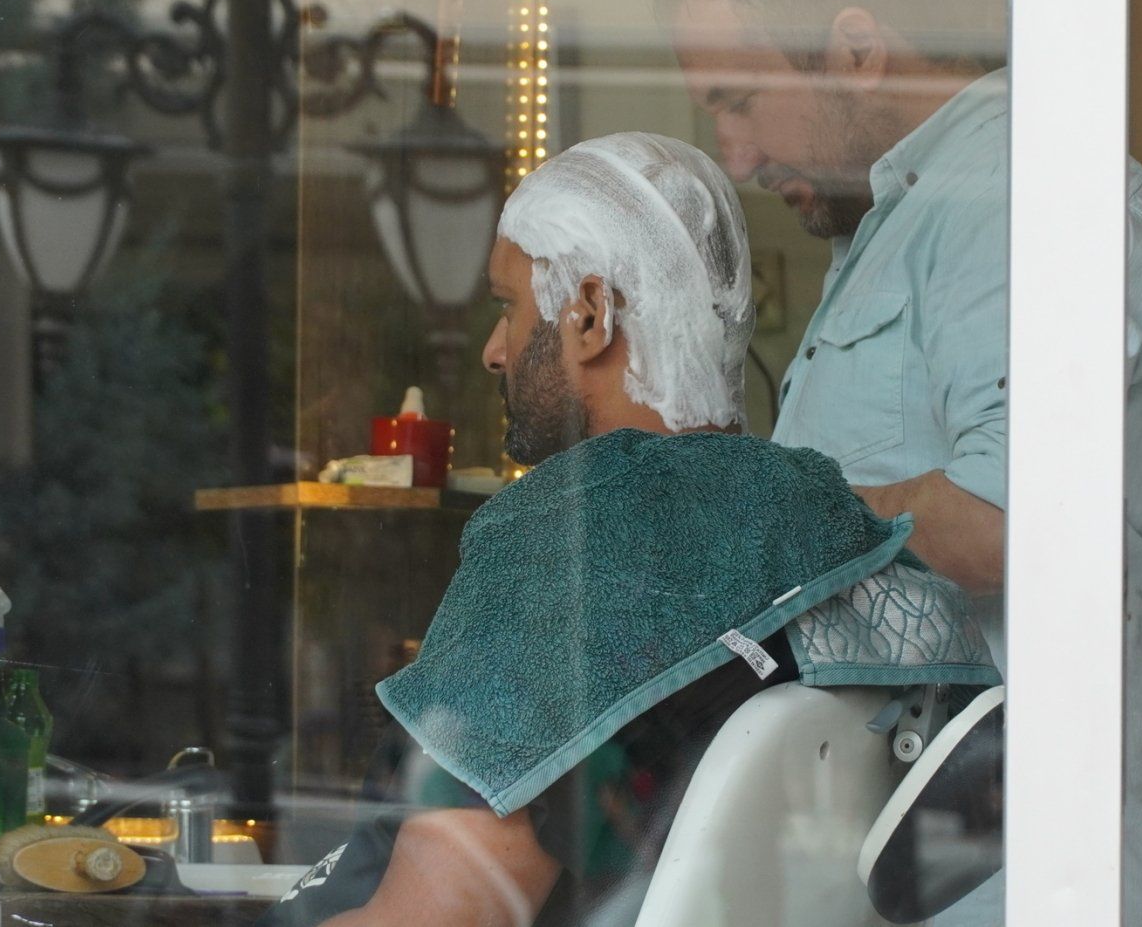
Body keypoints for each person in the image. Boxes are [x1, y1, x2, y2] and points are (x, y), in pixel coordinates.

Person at [659, 0, 1142, 927]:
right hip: (891, 866)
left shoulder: (1020, 192)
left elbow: (1006, 518)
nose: (736, 153)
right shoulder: (907, 219)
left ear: (858, 49)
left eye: (740, 100)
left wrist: (753, 518)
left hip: (1010, 882)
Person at [263, 132, 991, 927]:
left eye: (508, 306)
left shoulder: (571, 546)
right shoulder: (824, 527)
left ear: (590, 314)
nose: (495, 350)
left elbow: (439, 918)